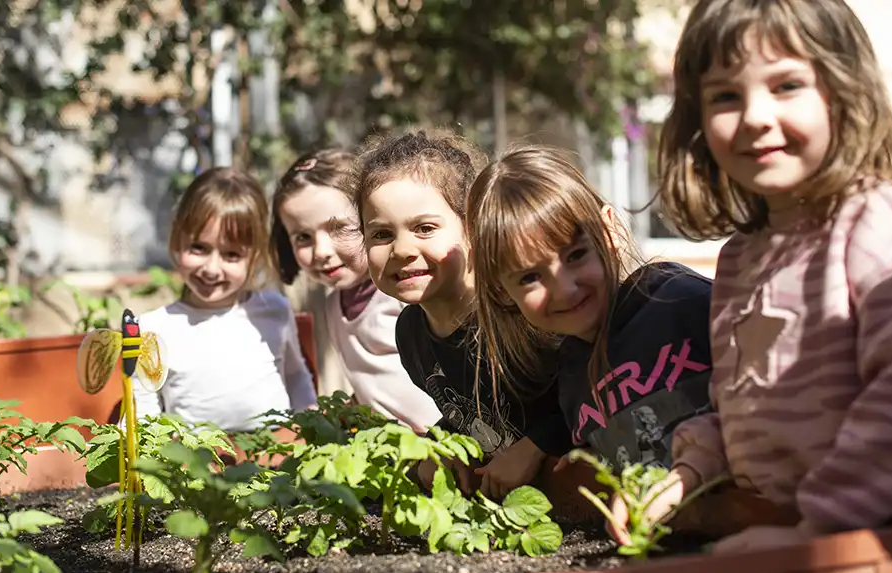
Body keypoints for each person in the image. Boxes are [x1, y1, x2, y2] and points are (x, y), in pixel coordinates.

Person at [609, 0, 892, 553]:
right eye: (725, 96)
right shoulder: (740, 258)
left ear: (844, 92)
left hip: (879, 544)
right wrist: (684, 475)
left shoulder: (872, 222)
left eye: (786, 86)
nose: (755, 116)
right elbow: (744, 414)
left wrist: (812, 532)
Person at [465, 145, 712, 483]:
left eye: (576, 255)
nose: (564, 289)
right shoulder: (569, 373)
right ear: (499, 289)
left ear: (610, 230)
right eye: (530, 277)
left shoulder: (680, 302)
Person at [352, 129, 573, 500]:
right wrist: (436, 446)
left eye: (424, 228)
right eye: (381, 234)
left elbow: (593, 391)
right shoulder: (412, 334)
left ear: (472, 228)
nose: (402, 249)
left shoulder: (518, 310)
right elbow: (471, 413)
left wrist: (536, 447)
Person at [132, 167, 318, 432]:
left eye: (231, 255)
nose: (211, 269)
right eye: (199, 248)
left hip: (277, 451)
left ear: (254, 257)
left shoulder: (274, 309)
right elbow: (142, 410)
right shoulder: (153, 328)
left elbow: (295, 374)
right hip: (195, 456)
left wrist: (310, 424)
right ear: (176, 241)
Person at [271, 148, 442, 432]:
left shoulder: (404, 295)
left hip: (446, 446)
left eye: (338, 228)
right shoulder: (333, 306)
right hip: (390, 450)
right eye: (303, 237)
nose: (321, 251)